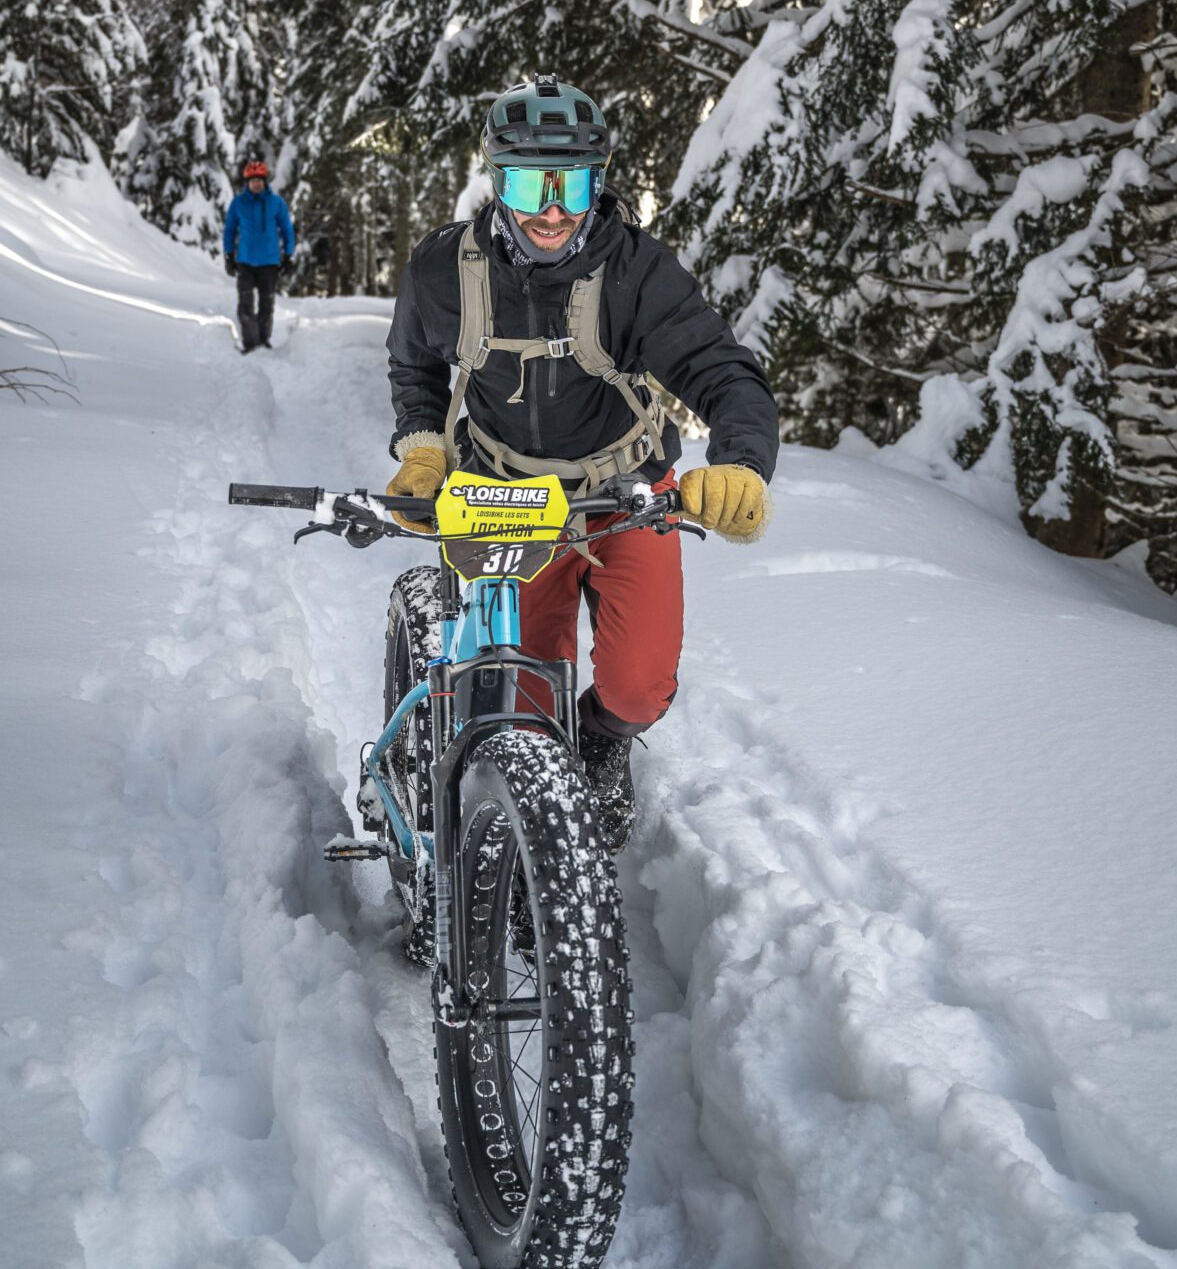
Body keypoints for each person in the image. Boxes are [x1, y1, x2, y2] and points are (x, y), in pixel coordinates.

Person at [384, 79, 779, 849]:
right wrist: (425, 446)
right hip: (505, 494)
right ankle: (534, 838)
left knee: (638, 688)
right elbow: (415, 369)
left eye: (577, 184)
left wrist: (741, 465)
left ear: (601, 181)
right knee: (523, 695)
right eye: (533, 183)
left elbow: (725, 374)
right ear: (498, 181)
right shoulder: (444, 270)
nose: (556, 210)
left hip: (626, 493)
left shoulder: (635, 272)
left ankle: (599, 744)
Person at [223, 160, 295, 353]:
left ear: (265, 181)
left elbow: (287, 229)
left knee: (266, 304)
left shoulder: (276, 203)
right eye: (252, 181)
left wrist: (288, 256)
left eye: (259, 180)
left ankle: (264, 341)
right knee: (245, 304)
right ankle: (251, 343)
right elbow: (230, 230)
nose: (256, 184)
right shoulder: (238, 203)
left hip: (270, 262)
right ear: (247, 182)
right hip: (245, 261)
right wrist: (229, 255)